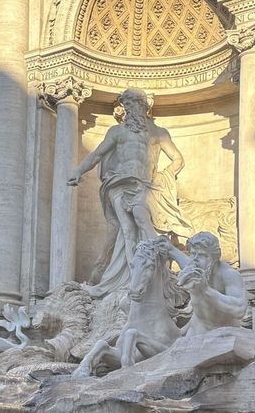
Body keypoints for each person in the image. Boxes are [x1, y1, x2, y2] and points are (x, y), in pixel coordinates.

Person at [68, 87, 192, 297]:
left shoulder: (158, 132)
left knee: (142, 219)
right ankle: (133, 274)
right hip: (118, 183)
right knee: (127, 229)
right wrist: (79, 171)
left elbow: (177, 159)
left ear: (144, 107)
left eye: (135, 104)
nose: (131, 108)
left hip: (144, 184)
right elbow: (97, 154)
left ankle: (157, 266)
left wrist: (165, 175)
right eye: (128, 105)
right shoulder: (116, 132)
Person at [160, 232, 247, 336]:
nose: (195, 259)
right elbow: (183, 259)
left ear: (215, 256)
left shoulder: (228, 274)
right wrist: (170, 249)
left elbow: (239, 309)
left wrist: (206, 290)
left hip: (223, 331)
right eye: (192, 254)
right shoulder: (196, 267)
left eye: (202, 255)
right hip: (196, 329)